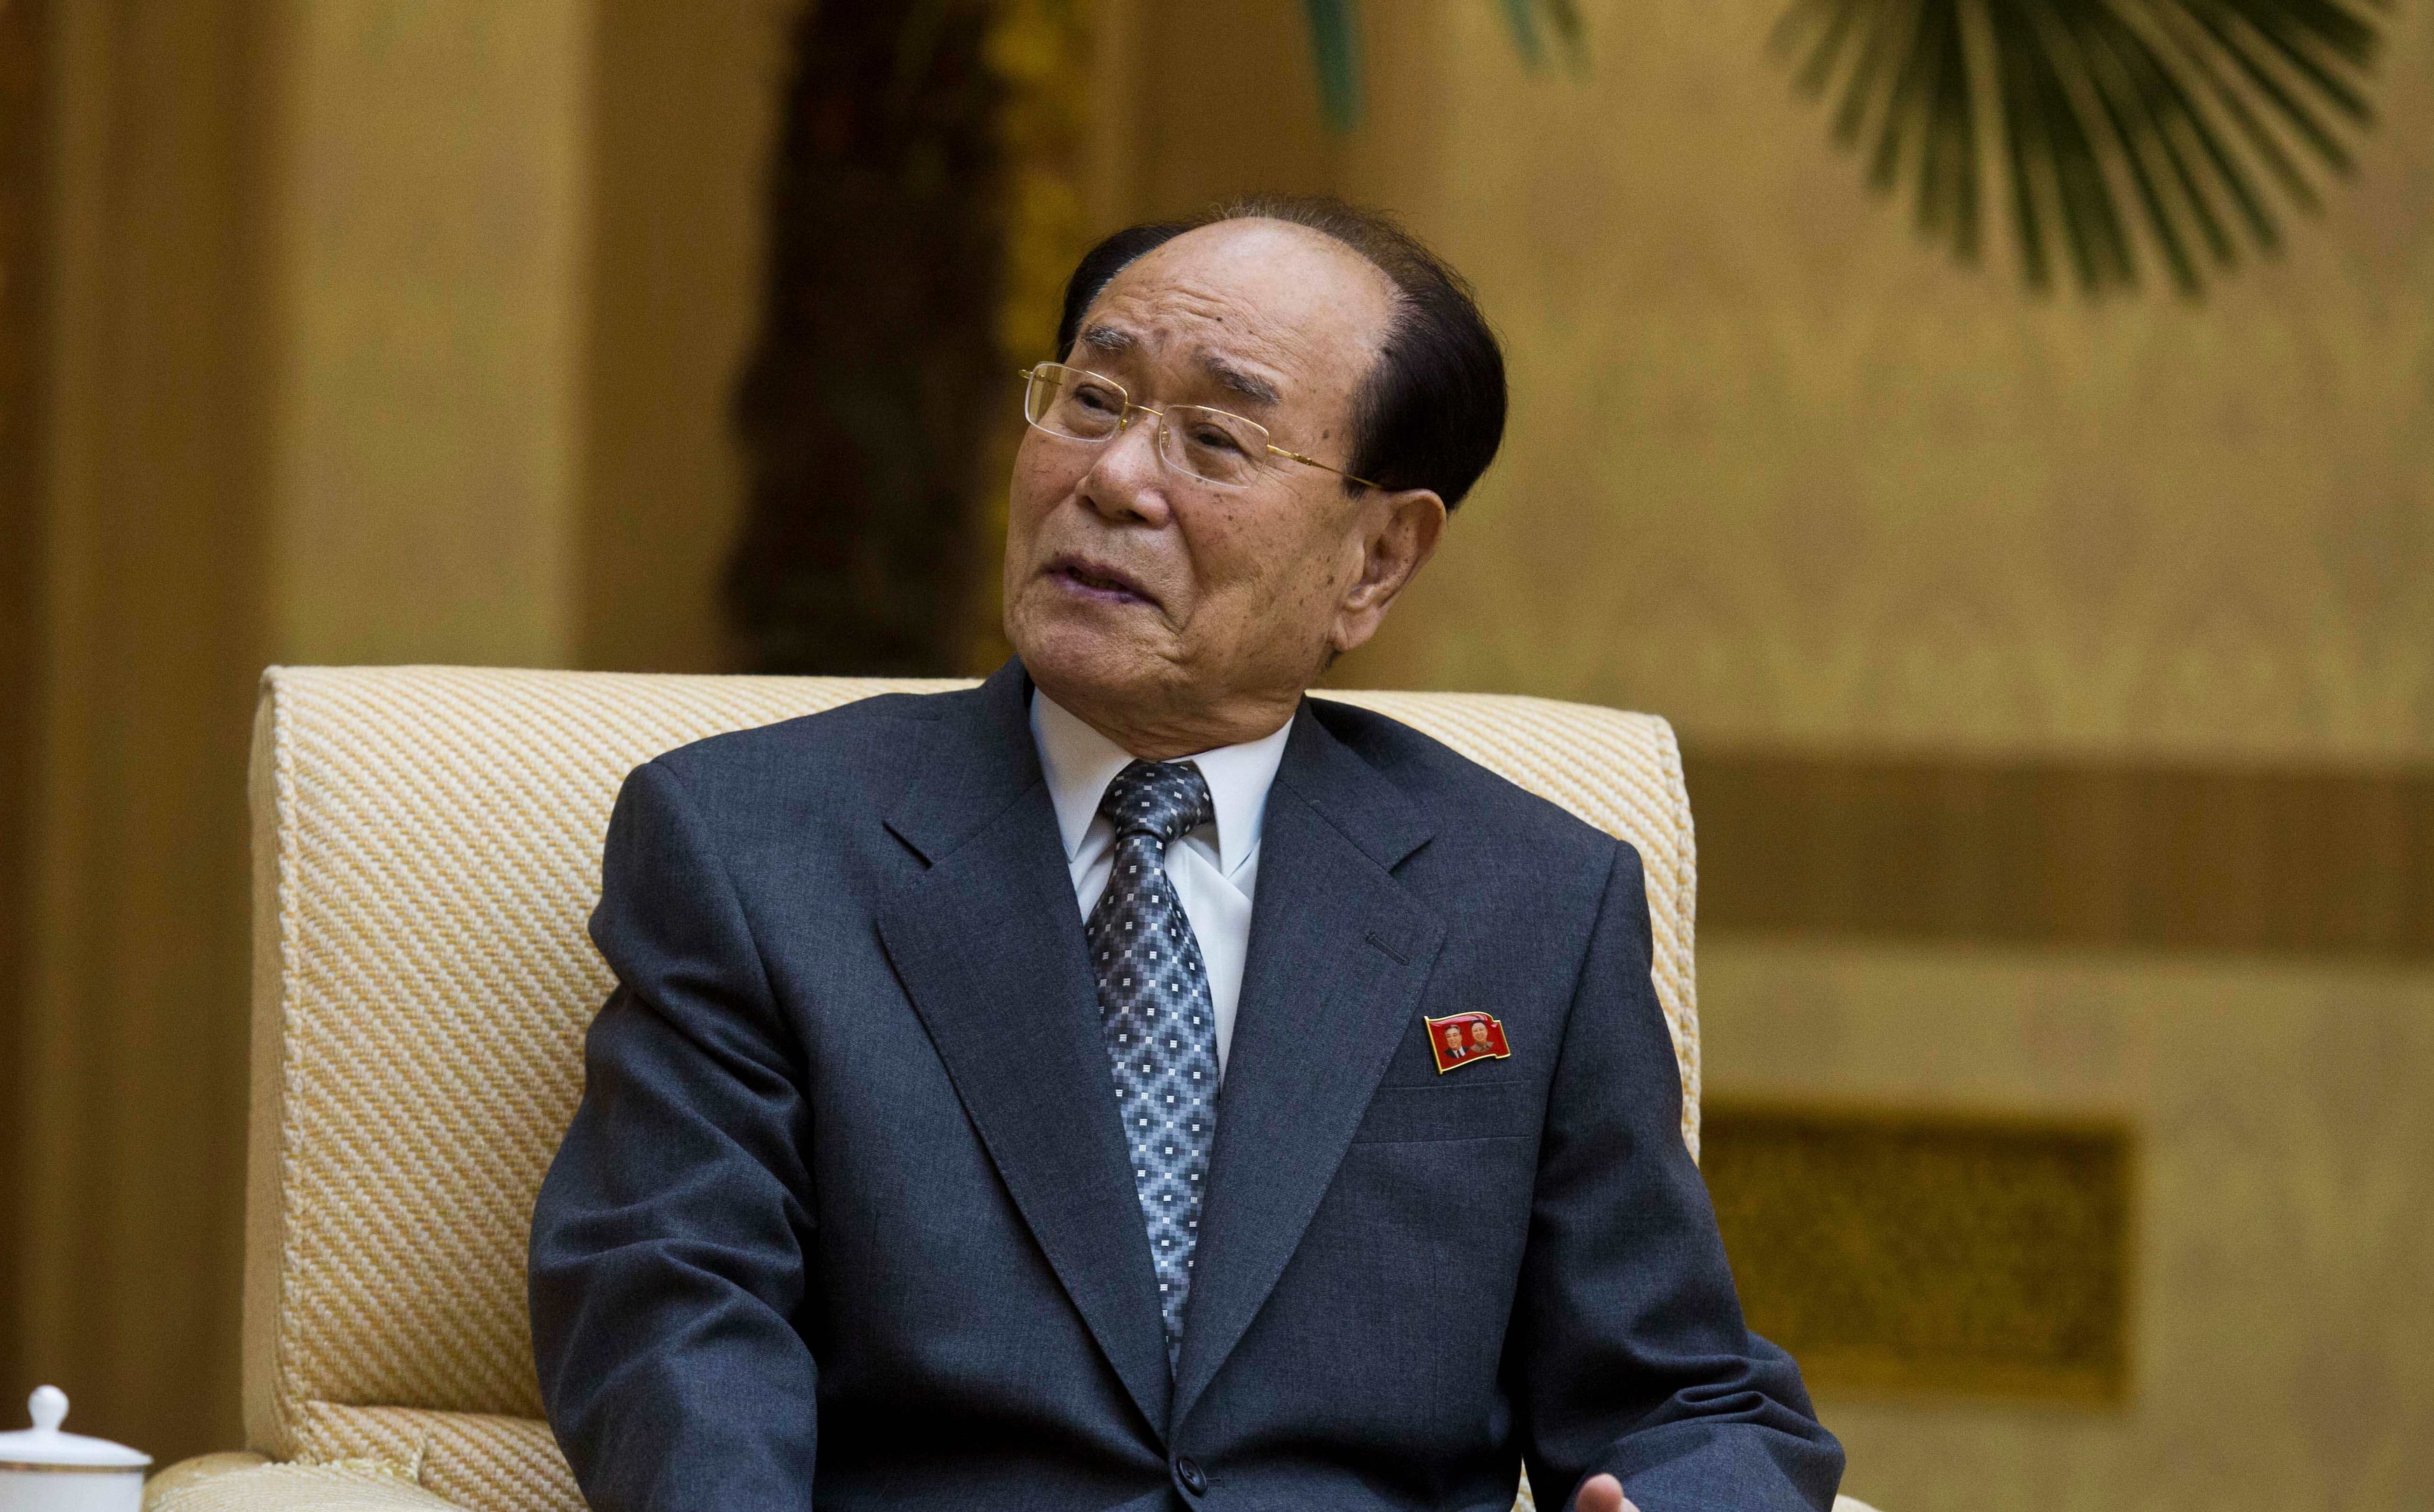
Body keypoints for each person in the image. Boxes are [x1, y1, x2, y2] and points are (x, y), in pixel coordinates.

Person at [529, 195, 1844, 1512]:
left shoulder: (1531, 904)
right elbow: (674, 1312)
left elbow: (1683, 1395)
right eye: (1091, 400)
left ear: (1379, 560)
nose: (1110, 478)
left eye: (1214, 437)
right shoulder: (753, 844)